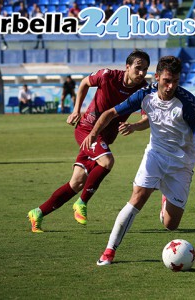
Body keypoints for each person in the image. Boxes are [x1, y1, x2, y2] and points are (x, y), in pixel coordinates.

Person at [91, 56, 195, 265]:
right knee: (137, 197)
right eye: (166, 80)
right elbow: (111, 113)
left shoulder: (189, 104)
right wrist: (92, 134)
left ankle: (165, 199)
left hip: (181, 164)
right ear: (157, 77)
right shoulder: (144, 95)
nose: (171, 86)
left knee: (171, 225)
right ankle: (109, 251)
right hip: (155, 154)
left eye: (175, 80)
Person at [27, 50, 151, 233]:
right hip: (87, 129)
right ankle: (82, 202)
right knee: (107, 161)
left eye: (145, 70)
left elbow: (147, 119)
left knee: (76, 183)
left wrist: (134, 126)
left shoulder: (143, 90)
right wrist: (76, 110)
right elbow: (85, 83)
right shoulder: (108, 75)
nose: (141, 73)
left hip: (104, 137)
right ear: (127, 67)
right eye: (138, 68)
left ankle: (37, 212)